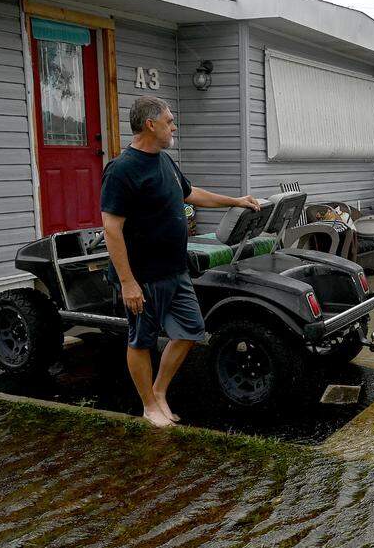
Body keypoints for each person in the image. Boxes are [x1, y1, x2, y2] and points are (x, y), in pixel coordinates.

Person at [100, 95, 259, 427]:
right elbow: (112, 228)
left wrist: (236, 200)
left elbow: (190, 193)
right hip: (143, 278)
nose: (174, 125)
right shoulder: (121, 169)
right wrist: (127, 282)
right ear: (150, 124)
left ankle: (159, 391)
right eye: (169, 120)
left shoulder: (164, 161)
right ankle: (148, 405)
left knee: (190, 330)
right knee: (140, 339)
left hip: (175, 270)